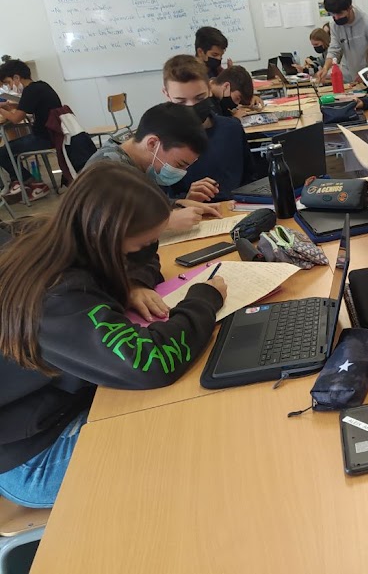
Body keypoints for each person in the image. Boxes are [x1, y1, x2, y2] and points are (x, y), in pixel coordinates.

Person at [0, 163, 226, 507]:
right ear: (109, 237)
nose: (148, 249)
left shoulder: (57, 236)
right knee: (186, 435)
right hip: (33, 459)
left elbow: (140, 261)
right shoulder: (59, 296)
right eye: (141, 243)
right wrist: (202, 301)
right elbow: (150, 363)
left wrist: (131, 284)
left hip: (53, 413)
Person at [86, 102, 221, 231]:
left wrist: (179, 203)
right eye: (179, 164)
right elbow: (99, 228)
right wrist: (164, 223)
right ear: (152, 144)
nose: (181, 172)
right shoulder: (106, 170)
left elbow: (140, 208)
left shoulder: (140, 163)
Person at [161, 56, 254, 202]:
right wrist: (186, 200)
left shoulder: (232, 128)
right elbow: (161, 202)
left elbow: (251, 177)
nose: (191, 106)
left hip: (240, 208)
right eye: (181, 101)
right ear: (167, 95)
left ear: (210, 89)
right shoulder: (162, 142)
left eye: (199, 98)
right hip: (196, 212)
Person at [0, 59, 58, 201]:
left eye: (8, 82)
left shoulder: (30, 91)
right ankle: (21, 182)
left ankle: (30, 182)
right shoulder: (40, 86)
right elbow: (25, 106)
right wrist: (9, 106)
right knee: (10, 151)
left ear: (16, 77)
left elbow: (15, 119)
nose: (10, 87)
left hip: (43, 139)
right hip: (52, 135)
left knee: (2, 153)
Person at [314, 0, 368, 84]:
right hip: (350, 78)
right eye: (333, 14)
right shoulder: (335, 25)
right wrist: (325, 68)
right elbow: (334, 50)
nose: (336, 18)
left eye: (339, 13)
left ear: (350, 7)